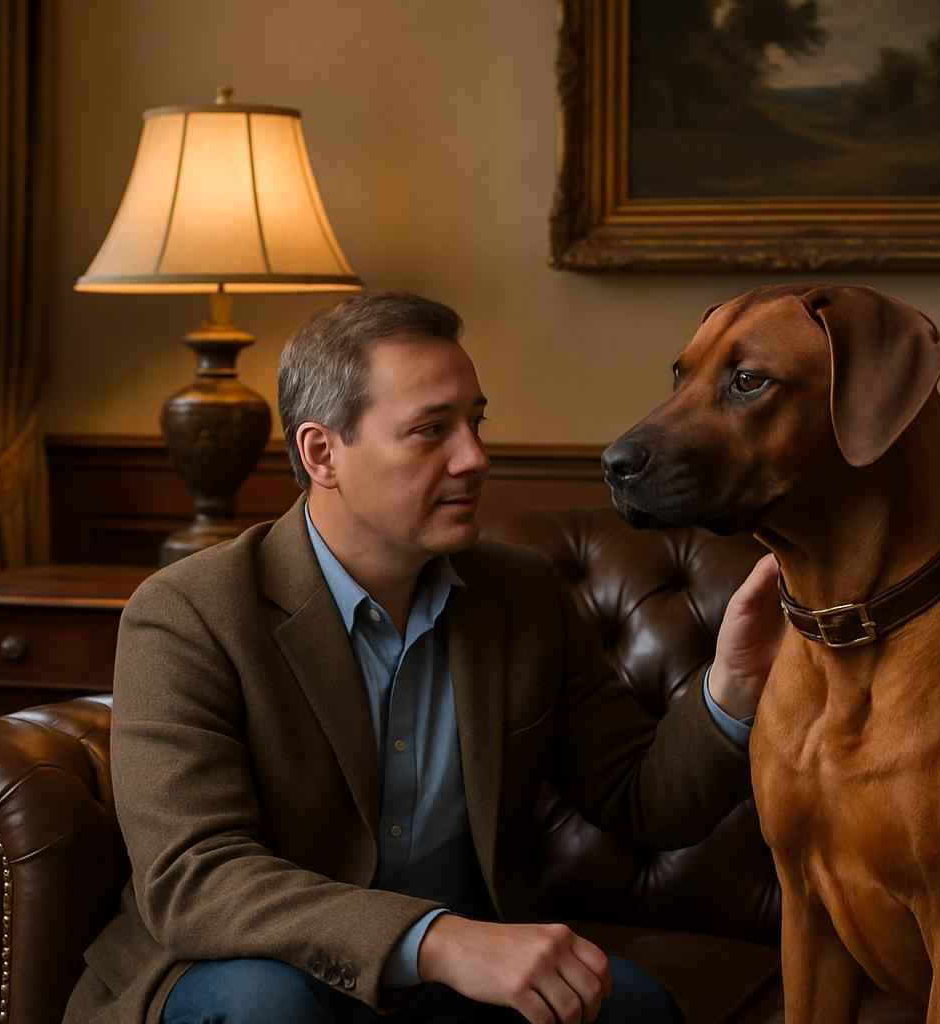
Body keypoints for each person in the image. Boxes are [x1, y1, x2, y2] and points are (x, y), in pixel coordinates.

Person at [64, 292, 784, 1024]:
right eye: (430, 431)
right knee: (265, 1008)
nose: (474, 458)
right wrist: (437, 939)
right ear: (323, 454)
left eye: (473, 422)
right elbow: (197, 876)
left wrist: (730, 686)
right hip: (247, 971)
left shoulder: (521, 596)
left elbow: (641, 799)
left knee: (631, 1008)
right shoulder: (189, 611)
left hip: (446, 986)